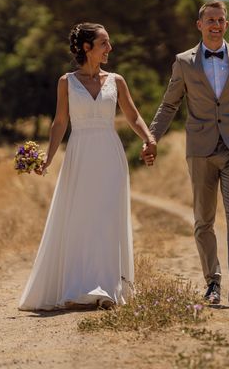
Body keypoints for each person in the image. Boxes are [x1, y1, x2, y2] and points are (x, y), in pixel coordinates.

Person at [19, 22, 156, 311]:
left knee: (107, 217)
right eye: (104, 43)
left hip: (110, 153)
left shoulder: (117, 80)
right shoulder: (65, 82)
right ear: (86, 48)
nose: (110, 48)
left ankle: (107, 287)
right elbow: (60, 122)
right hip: (80, 154)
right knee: (81, 218)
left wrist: (148, 139)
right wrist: (48, 158)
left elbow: (133, 116)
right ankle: (77, 287)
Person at [143, 0, 229, 305]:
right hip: (200, 150)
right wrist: (151, 138)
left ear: (227, 25)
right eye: (210, 20)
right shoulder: (184, 62)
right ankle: (212, 282)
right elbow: (169, 104)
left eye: (220, 20)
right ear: (199, 25)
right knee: (204, 220)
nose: (215, 25)